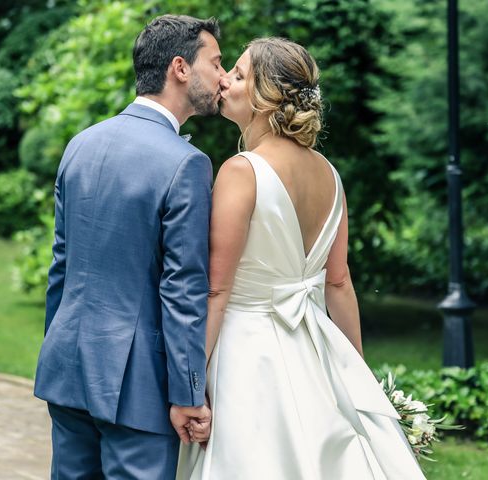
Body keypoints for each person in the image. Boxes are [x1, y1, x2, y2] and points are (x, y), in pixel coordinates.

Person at [177, 37, 427, 479]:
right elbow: (339, 283)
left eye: (237, 74)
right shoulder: (330, 174)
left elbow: (217, 288)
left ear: (265, 96)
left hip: (246, 356)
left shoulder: (241, 171)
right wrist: (356, 373)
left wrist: (192, 385)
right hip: (316, 349)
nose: (224, 81)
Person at [34, 15, 225, 479]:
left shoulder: (80, 144)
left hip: (68, 367)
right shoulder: (187, 164)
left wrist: (56, 349)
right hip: (136, 385)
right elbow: (183, 289)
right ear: (180, 68)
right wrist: (186, 393)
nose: (223, 76)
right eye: (215, 62)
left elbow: (61, 267)